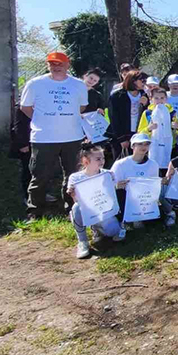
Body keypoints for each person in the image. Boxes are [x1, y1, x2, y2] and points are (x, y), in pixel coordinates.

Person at [21, 52, 90, 220]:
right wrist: (43, 120)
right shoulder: (35, 84)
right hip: (44, 138)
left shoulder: (78, 85)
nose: (56, 66)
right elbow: (25, 107)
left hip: (72, 137)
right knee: (40, 175)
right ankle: (34, 212)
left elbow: (81, 107)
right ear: (48, 65)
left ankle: (72, 208)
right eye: (52, 63)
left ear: (68, 64)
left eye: (60, 63)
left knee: (73, 174)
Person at [67, 145, 125, 258]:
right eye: (98, 159)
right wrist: (73, 193)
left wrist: (118, 185)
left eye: (103, 158)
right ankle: (83, 242)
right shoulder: (75, 178)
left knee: (112, 232)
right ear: (86, 161)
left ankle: (98, 229)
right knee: (76, 208)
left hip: (105, 211)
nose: (102, 161)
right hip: (88, 211)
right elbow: (76, 200)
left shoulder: (108, 174)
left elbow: (113, 196)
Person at [111, 133, 174, 228]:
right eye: (140, 144)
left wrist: (160, 182)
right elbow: (110, 185)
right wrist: (117, 185)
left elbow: (152, 186)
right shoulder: (120, 164)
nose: (143, 147)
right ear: (133, 146)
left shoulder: (153, 164)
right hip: (125, 198)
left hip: (144, 198)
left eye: (146, 144)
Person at [137, 87, 178, 172]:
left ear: (166, 99)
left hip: (170, 147)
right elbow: (140, 132)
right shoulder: (147, 113)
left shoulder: (172, 112)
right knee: (153, 171)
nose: (159, 100)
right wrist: (149, 129)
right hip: (152, 147)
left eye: (162, 98)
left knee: (168, 171)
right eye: (156, 98)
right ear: (151, 99)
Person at [108, 69, 148, 161]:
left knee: (139, 161)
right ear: (133, 81)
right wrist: (121, 139)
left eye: (145, 81)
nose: (144, 83)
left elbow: (149, 116)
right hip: (121, 135)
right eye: (142, 80)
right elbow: (114, 118)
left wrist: (146, 105)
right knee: (121, 162)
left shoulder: (145, 95)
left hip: (138, 133)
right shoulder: (117, 96)